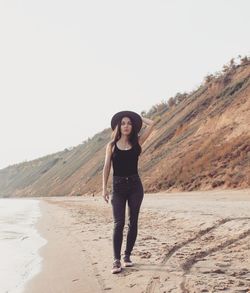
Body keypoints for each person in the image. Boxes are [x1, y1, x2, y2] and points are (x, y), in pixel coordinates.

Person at [102, 110, 154, 274]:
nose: (126, 126)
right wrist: (104, 188)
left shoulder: (137, 142)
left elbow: (152, 124)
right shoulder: (111, 146)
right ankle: (116, 260)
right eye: (123, 123)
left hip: (135, 186)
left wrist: (137, 117)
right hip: (117, 187)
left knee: (133, 222)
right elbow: (106, 167)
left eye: (129, 123)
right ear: (119, 126)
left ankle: (127, 256)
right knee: (119, 223)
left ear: (133, 127)